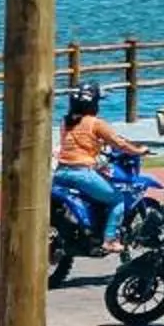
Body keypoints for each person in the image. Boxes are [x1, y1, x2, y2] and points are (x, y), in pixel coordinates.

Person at [55, 89, 132, 229]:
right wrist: (139, 150)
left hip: (60, 172)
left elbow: (81, 142)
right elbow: (119, 144)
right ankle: (110, 240)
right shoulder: (95, 123)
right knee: (118, 200)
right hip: (82, 173)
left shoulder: (65, 121)